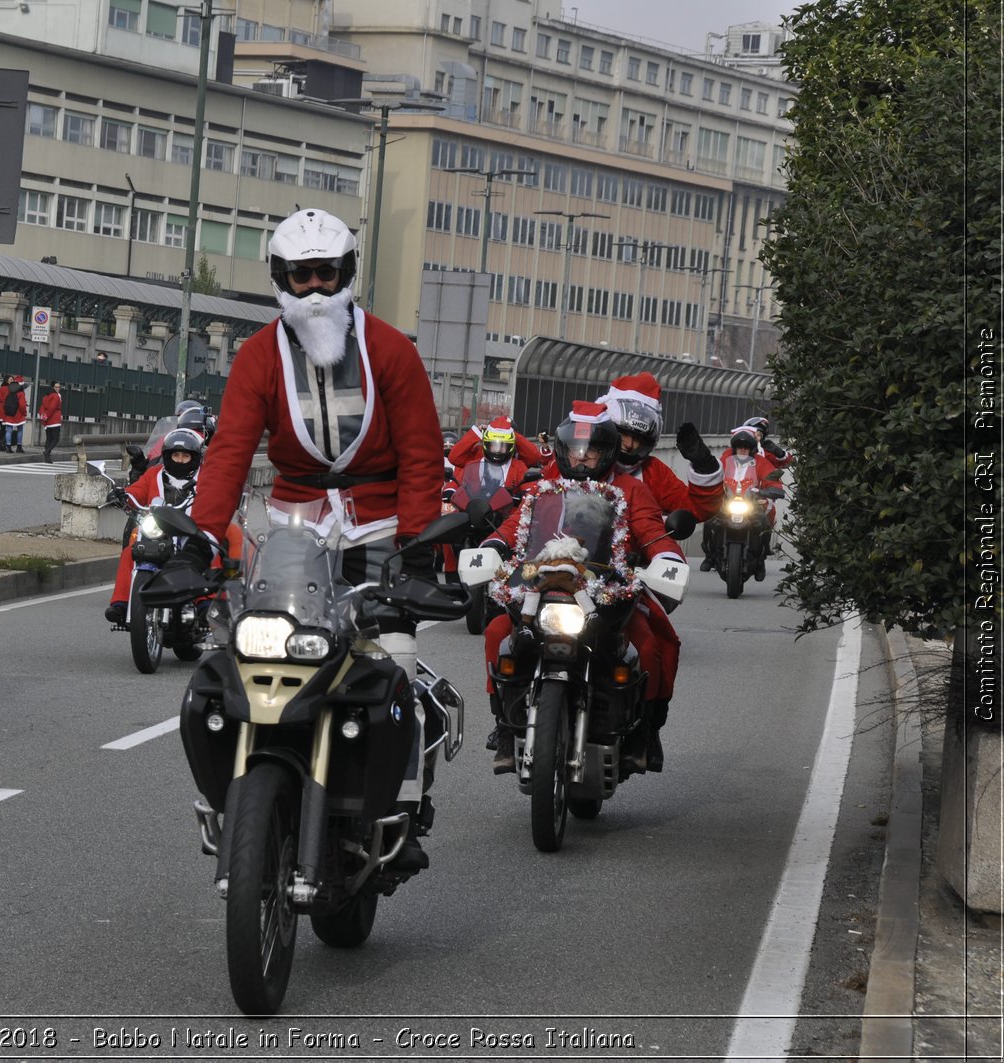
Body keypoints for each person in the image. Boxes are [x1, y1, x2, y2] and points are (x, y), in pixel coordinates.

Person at [159, 206, 443, 871]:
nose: (315, 288)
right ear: (279, 278)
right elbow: (229, 450)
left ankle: (400, 809)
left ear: (347, 273)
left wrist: (420, 546)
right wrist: (200, 536)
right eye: (301, 275)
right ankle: (249, 796)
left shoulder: (394, 350)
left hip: (379, 526)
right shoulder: (258, 356)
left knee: (393, 660)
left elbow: (423, 455)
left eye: (327, 273)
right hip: (295, 530)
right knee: (259, 661)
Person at [480, 401, 689, 775]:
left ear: (607, 452)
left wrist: (666, 557)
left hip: (607, 589)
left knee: (651, 643)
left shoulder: (629, 490)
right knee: (498, 631)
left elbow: (652, 530)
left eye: (590, 451)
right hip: (542, 587)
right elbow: (515, 525)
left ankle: (645, 732)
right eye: (574, 450)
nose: (581, 458)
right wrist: (492, 546)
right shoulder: (544, 488)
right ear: (561, 449)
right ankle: (505, 725)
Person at [106, 428, 208, 623]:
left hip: (192, 528)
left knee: (206, 551)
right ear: (167, 455)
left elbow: (219, 494)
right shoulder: (154, 474)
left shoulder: (206, 477)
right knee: (131, 550)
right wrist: (123, 495)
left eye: (185, 456)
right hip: (159, 528)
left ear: (194, 457)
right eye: (175, 455)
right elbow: (137, 490)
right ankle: (120, 604)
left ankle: (205, 603)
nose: (179, 460)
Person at [596, 372, 724, 521]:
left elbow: (696, 509)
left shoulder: (653, 472)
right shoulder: (579, 459)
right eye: (623, 433)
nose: (629, 444)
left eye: (638, 437)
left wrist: (704, 465)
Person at [701, 425, 783, 578]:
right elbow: (714, 473)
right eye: (739, 446)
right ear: (734, 448)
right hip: (727, 499)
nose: (743, 449)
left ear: (752, 449)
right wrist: (708, 482)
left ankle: (761, 559)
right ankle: (710, 556)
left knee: (767, 516)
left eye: (746, 446)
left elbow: (772, 477)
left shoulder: (761, 461)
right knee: (709, 516)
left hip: (752, 501)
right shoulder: (725, 458)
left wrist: (774, 488)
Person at [38, 380, 63, 463]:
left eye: (59, 387)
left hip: (47, 421)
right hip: (54, 419)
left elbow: (42, 407)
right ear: (52, 387)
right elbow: (52, 408)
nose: (58, 388)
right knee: (55, 439)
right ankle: (47, 452)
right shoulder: (56, 396)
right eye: (56, 387)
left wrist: (43, 416)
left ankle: (47, 457)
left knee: (49, 438)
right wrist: (47, 416)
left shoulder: (45, 397)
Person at [2, 377, 28, 453]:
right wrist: (24, 413)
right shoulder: (21, 393)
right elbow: (22, 405)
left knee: (9, 431)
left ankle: (8, 447)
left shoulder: (8, 390)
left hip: (9, 413)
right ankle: (19, 447)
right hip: (18, 414)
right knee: (20, 430)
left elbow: (4, 402)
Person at [0, 378, 11, 451]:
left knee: (2, 428)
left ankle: (0, 444)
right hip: (6, 410)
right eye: (11, 380)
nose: (12, 381)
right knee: (7, 429)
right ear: (7, 381)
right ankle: (3, 444)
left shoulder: (0, 389)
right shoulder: (8, 389)